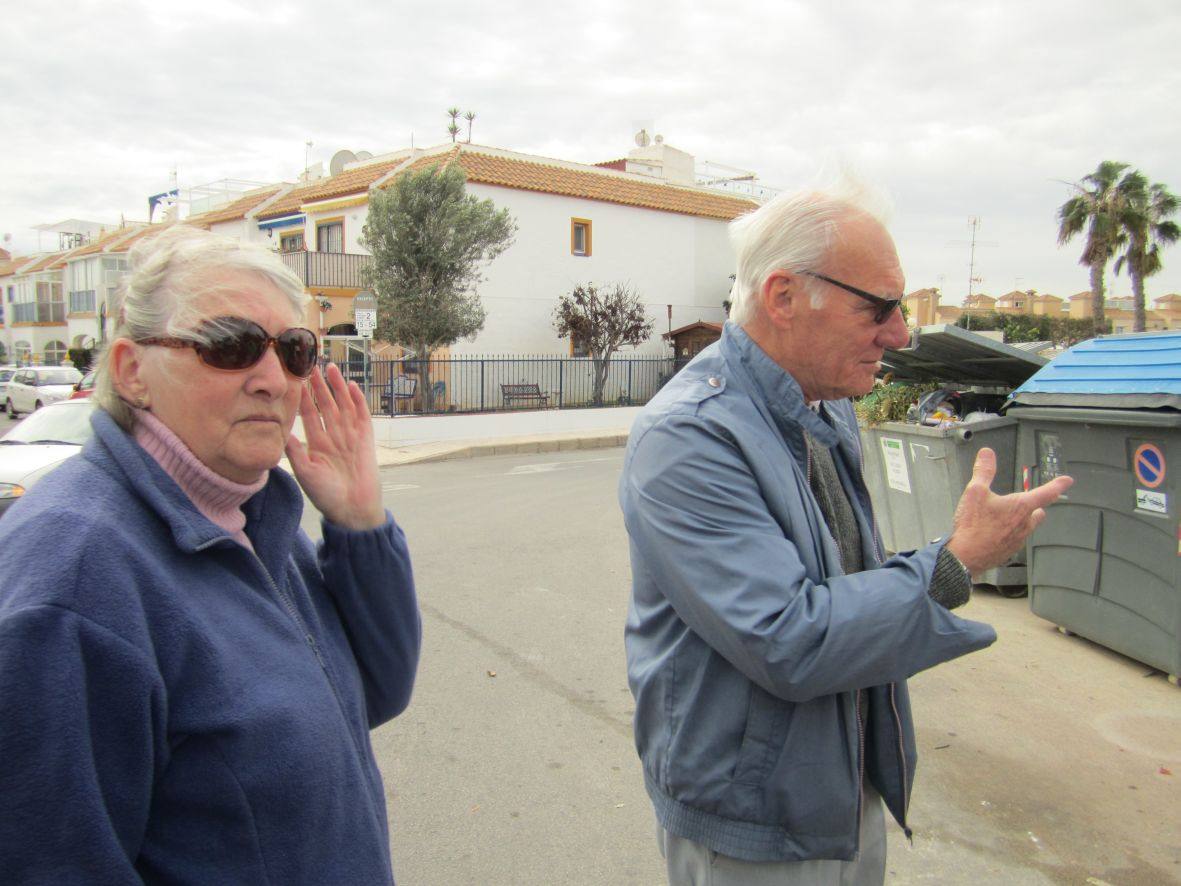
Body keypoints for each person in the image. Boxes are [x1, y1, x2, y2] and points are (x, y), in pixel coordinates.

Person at [619, 181, 1072, 885]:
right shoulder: (688, 436)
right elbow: (787, 638)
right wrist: (951, 564)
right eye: (878, 308)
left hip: (838, 783)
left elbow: (848, 584)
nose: (900, 334)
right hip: (751, 817)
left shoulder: (824, 409)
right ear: (782, 297)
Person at [0, 226, 421, 884]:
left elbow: (377, 692)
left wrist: (359, 522)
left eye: (294, 350)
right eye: (230, 345)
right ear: (130, 370)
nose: (272, 379)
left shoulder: (250, 518)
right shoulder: (74, 576)